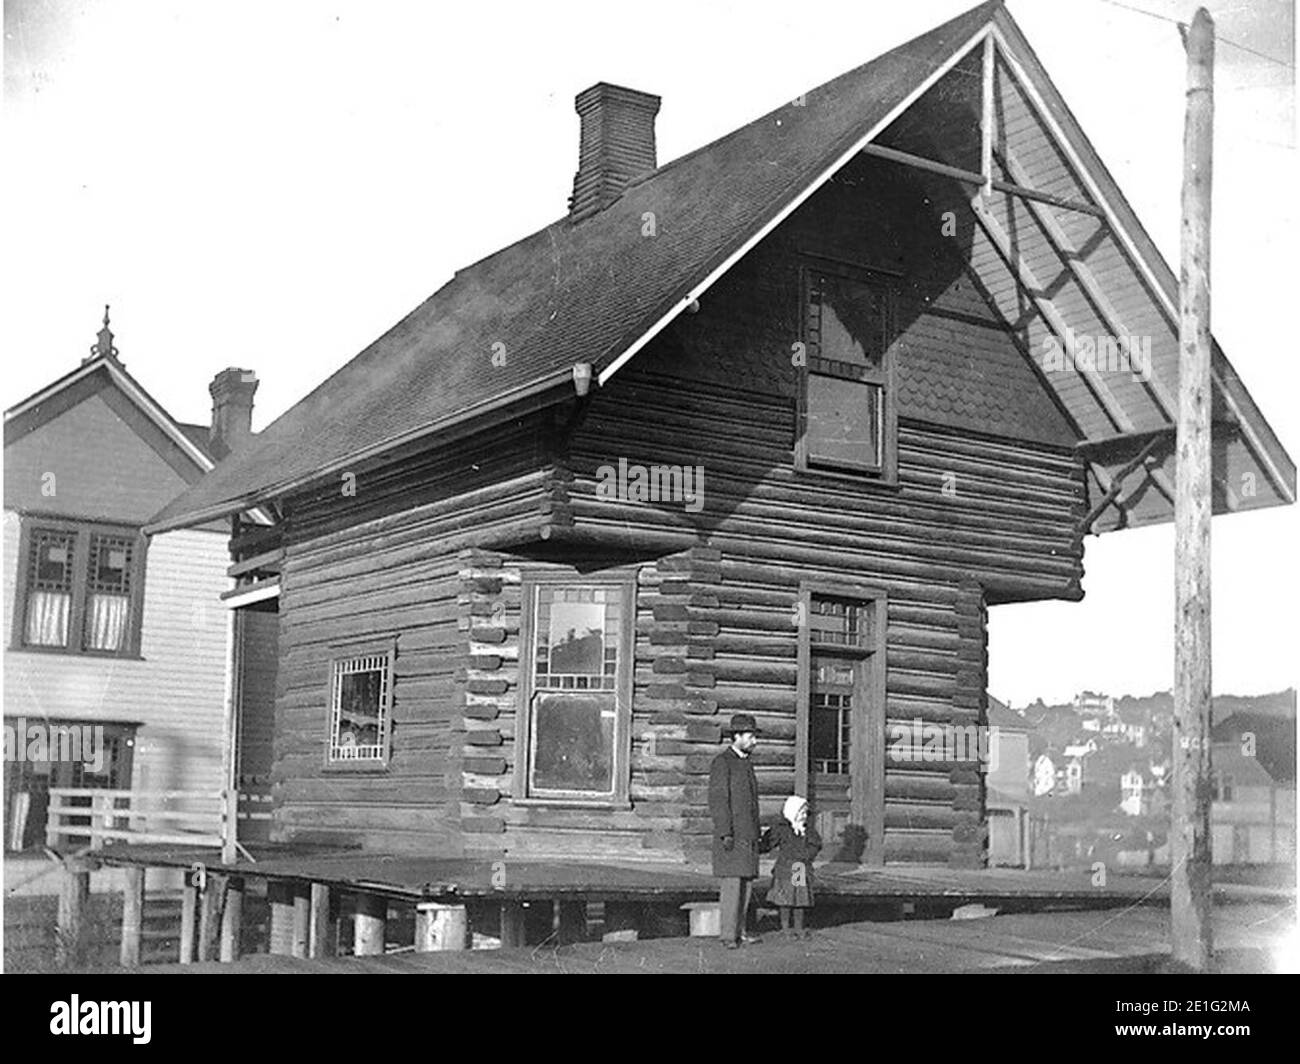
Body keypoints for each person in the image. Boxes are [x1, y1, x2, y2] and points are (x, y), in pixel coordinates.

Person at [708, 713, 762, 949]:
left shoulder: (746, 764)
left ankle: (741, 932)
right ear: (736, 736)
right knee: (732, 886)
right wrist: (725, 832)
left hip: (748, 835)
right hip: (731, 836)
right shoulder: (723, 763)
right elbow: (718, 800)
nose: (754, 742)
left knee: (746, 886)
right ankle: (729, 936)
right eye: (750, 736)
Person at [763, 795, 821, 938]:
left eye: (805, 813)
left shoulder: (807, 831)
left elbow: (815, 845)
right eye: (801, 813)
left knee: (799, 899)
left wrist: (807, 855)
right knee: (785, 899)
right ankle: (785, 928)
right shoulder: (782, 829)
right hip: (785, 868)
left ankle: (798, 927)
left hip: (799, 867)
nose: (804, 816)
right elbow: (768, 842)